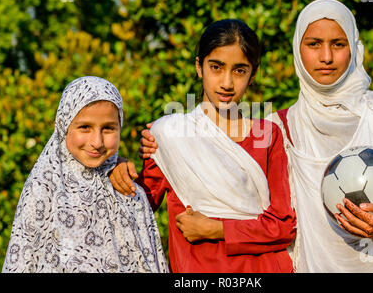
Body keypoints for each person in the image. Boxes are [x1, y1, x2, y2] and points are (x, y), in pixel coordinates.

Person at [137, 0, 373, 272]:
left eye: (339, 44)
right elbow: (139, 200)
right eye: (314, 44)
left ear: (355, 48)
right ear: (298, 49)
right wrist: (119, 166)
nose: (326, 57)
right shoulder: (281, 124)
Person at [109, 19, 296, 273]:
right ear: (199, 66)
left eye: (239, 70)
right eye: (216, 67)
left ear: (253, 73)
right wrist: (116, 167)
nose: (227, 83)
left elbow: (283, 226)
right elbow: (138, 205)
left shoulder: (267, 135)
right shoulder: (170, 135)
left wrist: (218, 229)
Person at [2, 76, 168, 273]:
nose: (97, 142)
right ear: (64, 125)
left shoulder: (129, 191)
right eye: (85, 127)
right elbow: (22, 260)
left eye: (108, 128)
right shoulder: (44, 188)